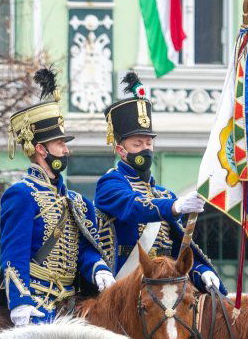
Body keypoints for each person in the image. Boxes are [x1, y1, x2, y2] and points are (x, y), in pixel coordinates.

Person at [0, 68, 115, 326]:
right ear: (41, 149)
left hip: (73, 304)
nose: (66, 150)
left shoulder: (77, 201)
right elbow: (13, 255)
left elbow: (84, 251)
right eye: (60, 144)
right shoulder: (21, 194)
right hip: (37, 303)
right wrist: (20, 302)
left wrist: (98, 268)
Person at [95, 72, 225, 294]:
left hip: (165, 289)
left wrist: (201, 270)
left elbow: (177, 250)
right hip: (126, 289)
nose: (145, 149)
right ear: (120, 150)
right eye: (137, 144)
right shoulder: (110, 184)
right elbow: (132, 206)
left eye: (148, 142)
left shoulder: (164, 195)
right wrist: (174, 207)